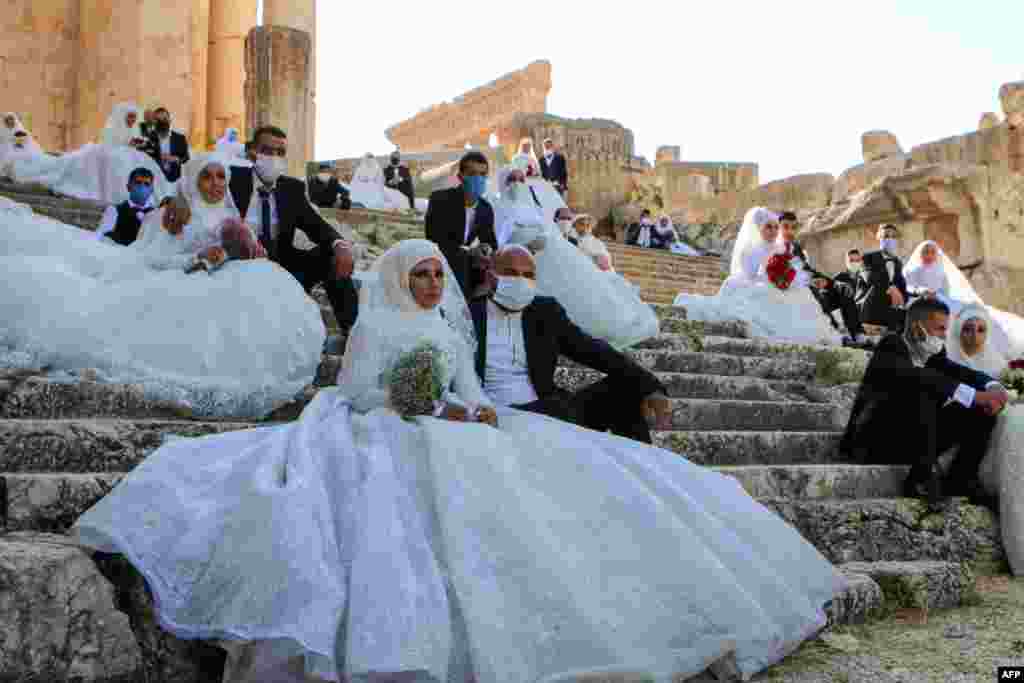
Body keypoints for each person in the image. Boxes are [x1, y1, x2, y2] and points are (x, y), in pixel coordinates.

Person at [71, 237, 847, 683]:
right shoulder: (376, 325)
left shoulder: (447, 328)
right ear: (397, 276)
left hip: (464, 423)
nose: (432, 281)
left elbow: (469, 381)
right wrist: (429, 405)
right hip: (391, 430)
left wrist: (472, 406)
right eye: (421, 272)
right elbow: (366, 392)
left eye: (438, 272)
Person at [0, 153, 324, 418]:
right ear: (194, 179)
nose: (215, 184)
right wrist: (194, 260)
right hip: (183, 283)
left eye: (221, 176)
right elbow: (151, 259)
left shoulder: (232, 216)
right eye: (207, 176)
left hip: (230, 283)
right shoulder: (173, 213)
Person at [472, 244, 669, 442]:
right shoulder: (470, 314)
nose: (520, 281)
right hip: (499, 413)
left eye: (528, 275)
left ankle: (639, 462)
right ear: (490, 276)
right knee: (556, 408)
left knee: (628, 385)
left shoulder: (544, 312)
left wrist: (651, 386)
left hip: (549, 409)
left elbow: (593, 350)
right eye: (511, 273)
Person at [839, 298, 1007, 505]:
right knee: (926, 387)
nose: (945, 335)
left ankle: (960, 480)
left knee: (980, 409)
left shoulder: (933, 354)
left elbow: (961, 372)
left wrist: (993, 388)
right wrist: (972, 395)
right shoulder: (891, 345)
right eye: (939, 329)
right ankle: (919, 479)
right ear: (917, 328)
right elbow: (916, 376)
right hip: (875, 442)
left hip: (912, 441)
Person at [493, 168, 660, 349]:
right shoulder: (497, 208)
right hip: (526, 266)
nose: (517, 184)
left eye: (521, 179)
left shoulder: (537, 209)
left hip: (556, 257)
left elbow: (550, 233)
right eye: (512, 179)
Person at [223, 125, 358, 332]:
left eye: (281, 153)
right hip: (240, 268)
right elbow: (195, 184)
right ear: (252, 152)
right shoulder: (232, 179)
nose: (275, 157)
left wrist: (340, 244)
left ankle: (354, 333)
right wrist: (174, 201)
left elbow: (315, 225)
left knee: (332, 254)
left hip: (284, 268)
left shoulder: (292, 188)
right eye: (267, 151)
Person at [674, 207, 841, 345]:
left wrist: (787, 277)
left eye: (776, 227)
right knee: (767, 298)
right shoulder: (750, 251)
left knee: (804, 296)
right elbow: (749, 277)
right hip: (758, 285)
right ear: (759, 229)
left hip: (781, 286)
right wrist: (770, 277)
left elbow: (794, 271)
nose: (774, 231)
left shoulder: (782, 249)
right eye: (769, 227)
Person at [947, 304, 1024, 575]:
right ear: (958, 331)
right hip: (962, 432)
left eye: (981, 330)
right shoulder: (948, 359)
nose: (974, 336)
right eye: (967, 329)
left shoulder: (997, 364)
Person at [10, 102, 173, 205]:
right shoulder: (113, 126)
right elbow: (110, 142)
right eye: (129, 117)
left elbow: (131, 140)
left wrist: (135, 143)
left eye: (133, 117)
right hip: (110, 152)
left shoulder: (134, 128)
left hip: (128, 154)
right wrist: (127, 143)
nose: (131, 120)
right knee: (115, 162)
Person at [903, 239, 1024, 360]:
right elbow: (907, 286)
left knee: (971, 310)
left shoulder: (941, 272)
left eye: (932, 252)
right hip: (918, 299)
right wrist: (920, 290)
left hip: (940, 299)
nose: (929, 255)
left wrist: (939, 297)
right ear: (920, 254)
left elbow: (946, 290)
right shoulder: (912, 270)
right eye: (926, 252)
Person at [777, 211, 866, 345]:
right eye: (786, 227)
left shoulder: (795, 247)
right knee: (815, 293)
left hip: (812, 291)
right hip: (794, 296)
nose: (790, 231)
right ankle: (837, 335)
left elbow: (808, 270)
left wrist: (834, 283)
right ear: (778, 227)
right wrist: (809, 282)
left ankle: (858, 334)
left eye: (794, 227)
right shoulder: (773, 249)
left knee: (843, 289)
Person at [424, 149, 497, 297]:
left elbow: (490, 242)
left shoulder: (485, 208)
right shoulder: (440, 200)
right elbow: (434, 240)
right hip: (442, 266)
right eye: (472, 174)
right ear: (460, 176)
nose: (478, 179)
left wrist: (486, 249)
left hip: (469, 269)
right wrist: (469, 252)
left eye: (483, 175)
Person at [857, 223, 908, 332]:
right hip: (870, 308)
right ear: (879, 238)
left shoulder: (897, 262)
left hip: (890, 310)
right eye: (886, 236)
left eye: (893, 237)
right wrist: (891, 287)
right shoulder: (867, 257)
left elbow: (902, 286)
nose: (890, 239)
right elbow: (869, 278)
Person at [815, 248, 870, 346]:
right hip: (839, 311)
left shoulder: (863, 279)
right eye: (851, 261)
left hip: (856, 314)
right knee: (846, 294)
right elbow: (830, 292)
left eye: (857, 260)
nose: (854, 263)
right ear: (846, 262)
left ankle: (858, 334)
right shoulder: (841, 277)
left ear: (861, 261)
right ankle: (855, 334)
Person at [94, 167, 158, 245]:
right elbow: (100, 240)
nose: (142, 187)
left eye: (146, 184)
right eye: (138, 182)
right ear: (128, 187)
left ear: (151, 190)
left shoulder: (156, 214)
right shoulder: (114, 211)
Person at [144, 106, 190, 182]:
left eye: (165, 119)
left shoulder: (179, 138)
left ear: (169, 120)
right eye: (159, 120)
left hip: (175, 180)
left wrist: (176, 159)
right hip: (154, 179)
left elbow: (186, 157)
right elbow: (144, 157)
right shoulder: (148, 138)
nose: (162, 122)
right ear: (154, 122)